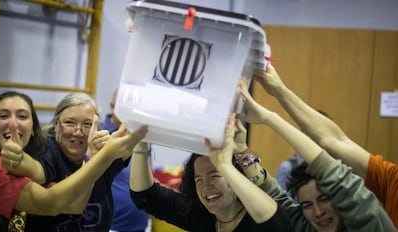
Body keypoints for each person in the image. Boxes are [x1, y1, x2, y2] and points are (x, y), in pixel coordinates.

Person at [237, 80, 396, 231]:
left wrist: (270, 118)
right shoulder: (309, 226)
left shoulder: (368, 225)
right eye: (307, 205)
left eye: (324, 199)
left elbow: (336, 175)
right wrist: (243, 152)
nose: (318, 212)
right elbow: (273, 196)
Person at [0, 91, 147, 231]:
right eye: (70, 123)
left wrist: (138, 123)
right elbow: (36, 171)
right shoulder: (47, 151)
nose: (78, 132)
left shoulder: (101, 150)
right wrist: (18, 159)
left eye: (87, 125)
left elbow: (127, 146)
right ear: (56, 126)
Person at [129, 114, 294, 232]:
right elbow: (145, 196)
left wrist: (240, 152)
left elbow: (278, 220)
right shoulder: (202, 216)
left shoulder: (260, 220)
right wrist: (141, 143)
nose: (206, 186)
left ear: (237, 178)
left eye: (215, 175)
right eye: (198, 179)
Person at [104, 89, 150, 232]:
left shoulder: (141, 135)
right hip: (110, 227)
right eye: (125, 106)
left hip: (140, 226)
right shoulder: (100, 135)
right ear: (112, 106)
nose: (131, 111)